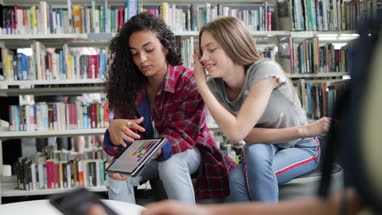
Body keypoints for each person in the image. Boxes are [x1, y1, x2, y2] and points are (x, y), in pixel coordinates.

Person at [102, 12, 236, 205]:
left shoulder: (187, 80)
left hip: (190, 152)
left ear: (165, 48)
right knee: (115, 171)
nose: (142, 59)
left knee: (170, 162)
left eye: (149, 50)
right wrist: (114, 135)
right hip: (147, 154)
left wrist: (146, 151)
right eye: (134, 54)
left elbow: (183, 136)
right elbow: (128, 144)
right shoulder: (128, 88)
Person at [192, 16, 330, 202]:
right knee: (253, 152)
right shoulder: (216, 87)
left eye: (211, 49)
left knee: (239, 178)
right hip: (266, 145)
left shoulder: (264, 70)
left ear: (234, 45)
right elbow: (244, 135)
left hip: (300, 145)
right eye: (201, 51)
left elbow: (236, 132)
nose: (203, 58)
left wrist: (201, 84)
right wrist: (204, 85)